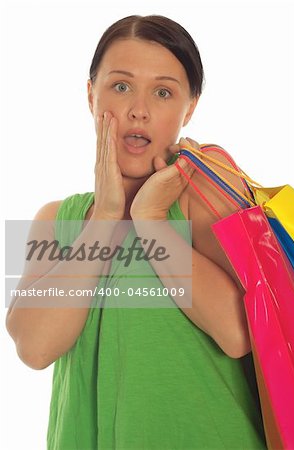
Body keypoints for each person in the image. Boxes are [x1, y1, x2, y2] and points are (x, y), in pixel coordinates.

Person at [6, 15, 267, 449]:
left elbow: (239, 333)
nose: (138, 109)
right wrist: (106, 217)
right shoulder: (57, 221)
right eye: (121, 86)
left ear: (191, 106)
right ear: (92, 95)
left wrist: (151, 222)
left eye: (163, 92)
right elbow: (33, 347)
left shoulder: (206, 203)